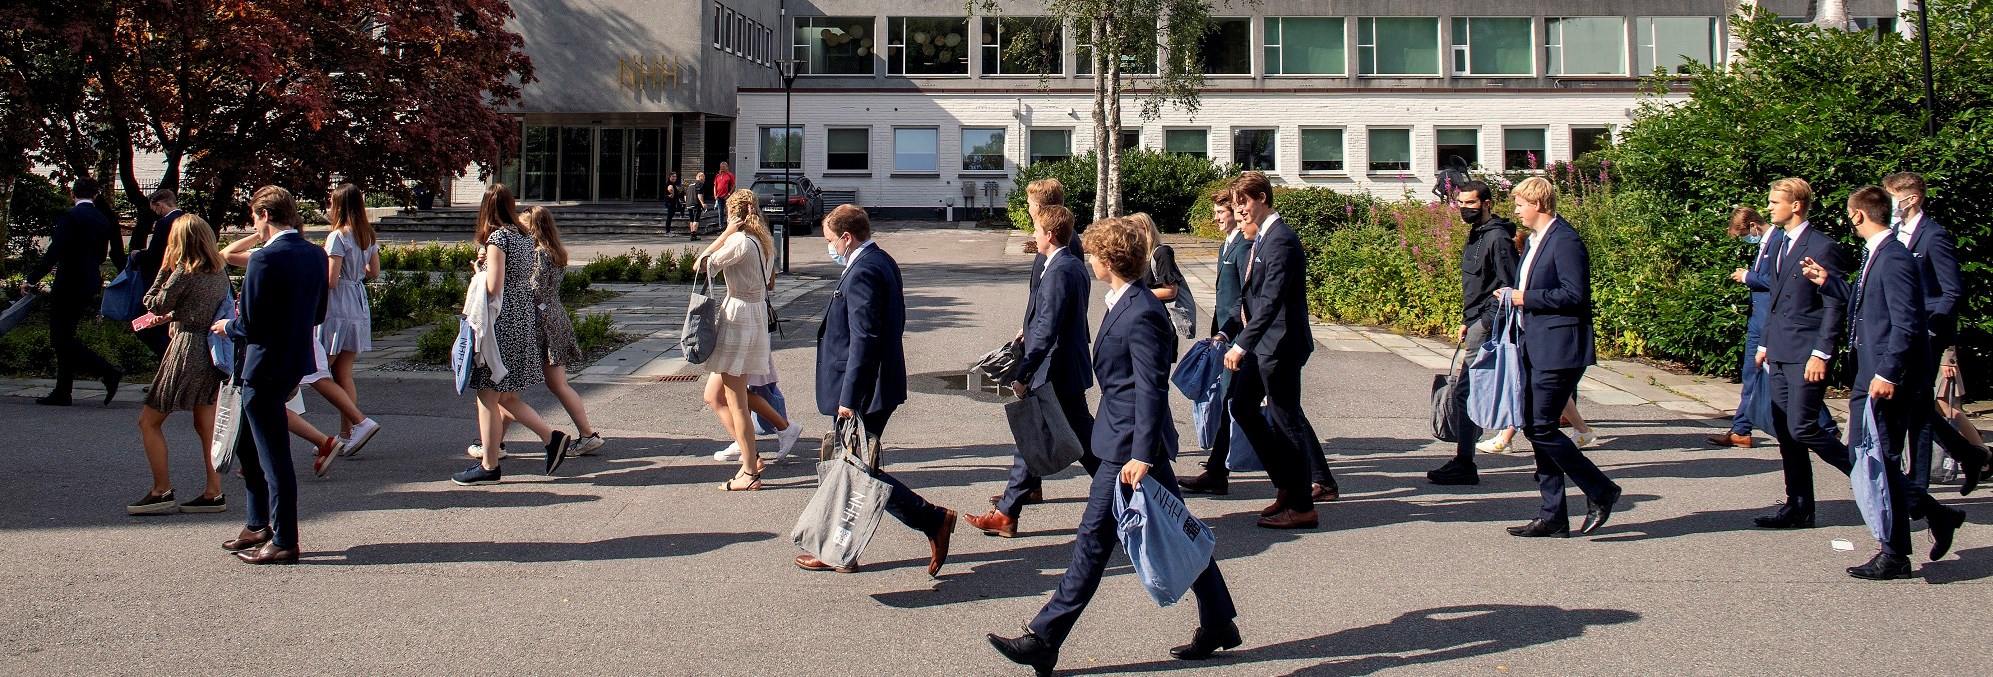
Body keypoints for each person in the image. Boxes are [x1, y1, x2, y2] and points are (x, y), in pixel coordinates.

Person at [988, 215, 1239, 675]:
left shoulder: (1141, 311)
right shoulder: (1123, 300)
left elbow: (1150, 388)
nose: (1089, 260)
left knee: (1092, 542)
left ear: (1107, 260)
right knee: (1176, 526)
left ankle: (1044, 638)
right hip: (1125, 438)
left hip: (1129, 447)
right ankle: (1219, 619)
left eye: (1093, 254)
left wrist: (1142, 453)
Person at [795, 205, 957, 576]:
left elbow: (864, 339)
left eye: (831, 241)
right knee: (849, 469)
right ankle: (840, 550)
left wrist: (849, 398)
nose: (830, 248)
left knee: (856, 472)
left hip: (866, 390)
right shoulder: (880, 259)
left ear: (847, 237)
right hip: (874, 384)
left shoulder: (865, 270)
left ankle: (932, 520)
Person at [1798, 185, 1926, 579]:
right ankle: (1926, 521)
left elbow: (1906, 323)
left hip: (1881, 376)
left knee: (1879, 460)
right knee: (1868, 458)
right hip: (1867, 373)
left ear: (1858, 215)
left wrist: (1888, 373)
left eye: (1848, 214)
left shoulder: (1893, 258)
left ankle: (1895, 553)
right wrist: (1828, 281)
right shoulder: (1880, 254)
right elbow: (1863, 301)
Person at [1498, 176, 1623, 538]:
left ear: (1537, 203)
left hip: (1560, 348)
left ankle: (1601, 489)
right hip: (1534, 344)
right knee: (1536, 428)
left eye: (1520, 203)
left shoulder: (1565, 240)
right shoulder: (1536, 240)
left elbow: (1574, 294)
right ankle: (1552, 514)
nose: (1516, 210)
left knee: (1540, 427)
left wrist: (1525, 298)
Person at [208, 186, 327, 565]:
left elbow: (252, 324)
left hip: (262, 365)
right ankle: (258, 523)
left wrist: (228, 327)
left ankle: (284, 539)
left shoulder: (263, 259)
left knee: (273, 456)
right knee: (247, 444)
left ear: (262, 215)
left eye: (253, 217)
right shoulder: (315, 254)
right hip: (293, 360)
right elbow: (319, 313)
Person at [1214, 172, 1336, 530]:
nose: (1240, 212)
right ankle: (1286, 486)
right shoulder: (1264, 238)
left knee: (1286, 420)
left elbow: (1271, 301)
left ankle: (1301, 505)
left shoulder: (1280, 240)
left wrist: (1240, 343)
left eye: (1245, 204)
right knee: (1243, 406)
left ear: (1263, 198)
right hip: (1264, 345)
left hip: (1280, 345)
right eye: (1236, 206)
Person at [967, 204, 1095, 537]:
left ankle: (1134, 498)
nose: (1033, 235)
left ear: (1050, 234)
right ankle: (1008, 511)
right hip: (1063, 369)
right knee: (1057, 438)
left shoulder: (1060, 270)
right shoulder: (1069, 264)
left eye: (1036, 230)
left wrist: (1023, 375)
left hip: (1056, 371)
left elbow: (1048, 329)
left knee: (1073, 442)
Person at [453, 185, 573, 486]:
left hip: (501, 319)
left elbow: (493, 286)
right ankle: (551, 437)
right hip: (522, 316)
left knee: (487, 392)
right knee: (505, 394)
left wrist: (479, 270)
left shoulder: (497, 237)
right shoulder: (522, 236)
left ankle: (489, 465)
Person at [1752, 178, 1854, 530]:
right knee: (1786, 433)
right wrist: (1765, 344)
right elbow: (1776, 301)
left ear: (1796, 205)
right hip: (1779, 350)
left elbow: (1834, 304)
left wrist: (1821, 353)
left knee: (1804, 428)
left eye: (1774, 202)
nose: (1768, 207)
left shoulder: (1822, 246)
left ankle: (1879, 482)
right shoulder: (1780, 243)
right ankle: (1798, 506)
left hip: (1805, 354)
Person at [1883, 173, 1987, 499]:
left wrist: (1932, 330)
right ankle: (1968, 454)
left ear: (1911, 199)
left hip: (1925, 334)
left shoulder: (1933, 237)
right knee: (1913, 405)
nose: (1886, 205)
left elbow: (1952, 291)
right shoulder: (1894, 235)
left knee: (1915, 404)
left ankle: (1917, 485)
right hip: (1898, 332)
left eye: (1890, 197)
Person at [695, 189, 802, 490]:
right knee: (716, 395)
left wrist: (727, 232)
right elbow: (769, 281)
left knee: (736, 400)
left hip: (738, 317)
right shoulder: (763, 242)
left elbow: (700, 266)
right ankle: (767, 441)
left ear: (733, 213)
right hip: (754, 316)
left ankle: (749, 468)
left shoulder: (740, 241)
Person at [126, 214, 230, 515]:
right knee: (205, 424)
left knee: (149, 421)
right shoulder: (218, 273)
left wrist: (163, 269)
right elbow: (201, 308)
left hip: (186, 350)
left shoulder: (184, 271)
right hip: (210, 350)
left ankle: (161, 490)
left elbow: (153, 303)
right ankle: (214, 492)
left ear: (179, 241)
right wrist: (175, 315)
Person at [1712, 206, 1840, 449]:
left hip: (1773, 321)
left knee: (1785, 380)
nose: (1745, 240)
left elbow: (1778, 282)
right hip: (1760, 319)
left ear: (1753, 226)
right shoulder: (1767, 244)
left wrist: (1748, 277)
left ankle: (1827, 428)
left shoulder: (1780, 242)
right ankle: (1741, 429)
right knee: (1753, 375)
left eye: (1743, 235)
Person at [1428, 180, 1519, 485]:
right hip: (1476, 321)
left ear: (1487, 203)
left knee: (1468, 391)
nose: (1465, 209)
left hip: (1488, 324)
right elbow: (1478, 286)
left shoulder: (1498, 239)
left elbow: (1509, 288)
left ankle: (1465, 463)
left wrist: (1485, 323)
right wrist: (1468, 319)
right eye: (1461, 203)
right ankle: (1465, 460)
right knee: (1476, 391)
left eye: (1471, 203)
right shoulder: (1476, 235)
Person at [21, 176, 125, 406]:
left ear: (72, 193)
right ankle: (63, 391)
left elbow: (54, 251)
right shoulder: (103, 218)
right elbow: (102, 255)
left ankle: (108, 371)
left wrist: (31, 279)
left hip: (69, 281)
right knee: (65, 337)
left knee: (59, 338)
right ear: (96, 195)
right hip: (89, 281)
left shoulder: (70, 216)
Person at [516, 206, 608, 456]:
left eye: (523, 225)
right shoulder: (556, 252)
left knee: (509, 388)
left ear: (533, 228)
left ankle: (492, 443)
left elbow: (532, 288)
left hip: (538, 320)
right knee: (558, 384)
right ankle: (587, 434)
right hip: (555, 316)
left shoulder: (538, 255)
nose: (519, 229)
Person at [1182, 189, 1249, 495]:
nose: (1217, 218)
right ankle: (1216, 470)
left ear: (1235, 212)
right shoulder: (1227, 245)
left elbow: (1244, 299)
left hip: (1240, 335)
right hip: (1225, 333)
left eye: (1221, 213)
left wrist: (1230, 333)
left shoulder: (1245, 247)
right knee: (1226, 402)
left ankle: (1310, 472)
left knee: (1247, 405)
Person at [319, 184, 384, 454]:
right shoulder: (366, 234)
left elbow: (331, 280)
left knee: (320, 367)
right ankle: (348, 432)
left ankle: (352, 428)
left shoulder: (338, 236)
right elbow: (374, 273)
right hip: (357, 300)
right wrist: (358, 267)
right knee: (344, 372)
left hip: (337, 304)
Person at [129, 189, 183, 356]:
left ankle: (168, 356)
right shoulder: (188, 219)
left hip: (162, 283)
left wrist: (137, 255)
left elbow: (155, 255)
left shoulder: (164, 223)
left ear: (159, 205)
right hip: (183, 279)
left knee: (143, 324)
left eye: (155, 210)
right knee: (170, 326)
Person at [686, 172, 708, 241]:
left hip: (689, 204)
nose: (704, 179)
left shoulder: (690, 185)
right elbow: (699, 194)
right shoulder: (699, 184)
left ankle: (692, 233)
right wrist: (702, 203)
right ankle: (694, 234)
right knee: (696, 219)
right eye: (703, 177)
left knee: (691, 219)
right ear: (698, 177)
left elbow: (685, 195)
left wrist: (686, 203)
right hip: (696, 204)